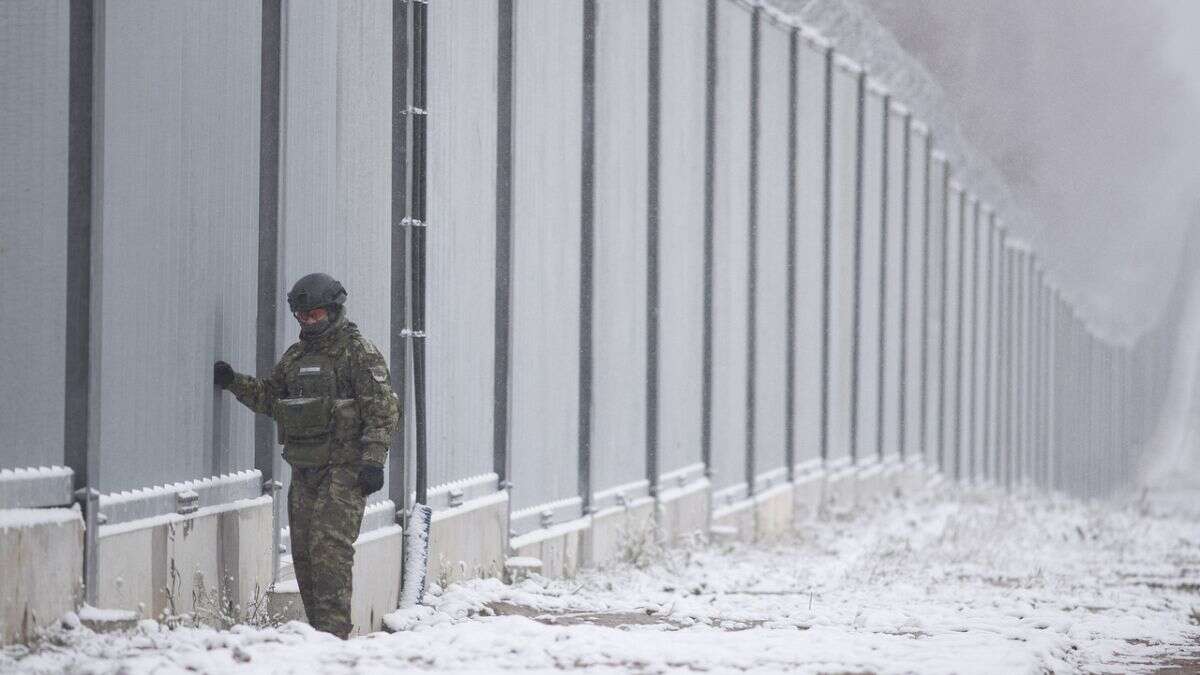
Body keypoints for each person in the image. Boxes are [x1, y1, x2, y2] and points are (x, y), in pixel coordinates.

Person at [213, 272, 400, 639]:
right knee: (304, 555)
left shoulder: (357, 352)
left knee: (330, 552)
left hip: (345, 471)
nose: (309, 322)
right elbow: (272, 396)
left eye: (315, 315)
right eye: (303, 316)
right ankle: (317, 638)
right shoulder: (297, 357)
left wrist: (373, 460)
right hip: (306, 469)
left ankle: (333, 639)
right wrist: (234, 381)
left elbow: (382, 409)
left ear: (333, 310)